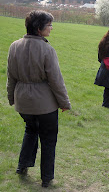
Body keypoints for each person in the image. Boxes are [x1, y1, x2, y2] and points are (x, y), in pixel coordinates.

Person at [6, 10, 71, 188]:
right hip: (44, 106)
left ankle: (22, 166)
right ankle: (47, 178)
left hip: (23, 103)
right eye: (49, 25)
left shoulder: (14, 46)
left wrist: (11, 98)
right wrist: (64, 103)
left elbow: (10, 77)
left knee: (30, 131)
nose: (51, 28)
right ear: (38, 28)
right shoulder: (47, 49)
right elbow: (56, 80)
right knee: (48, 138)